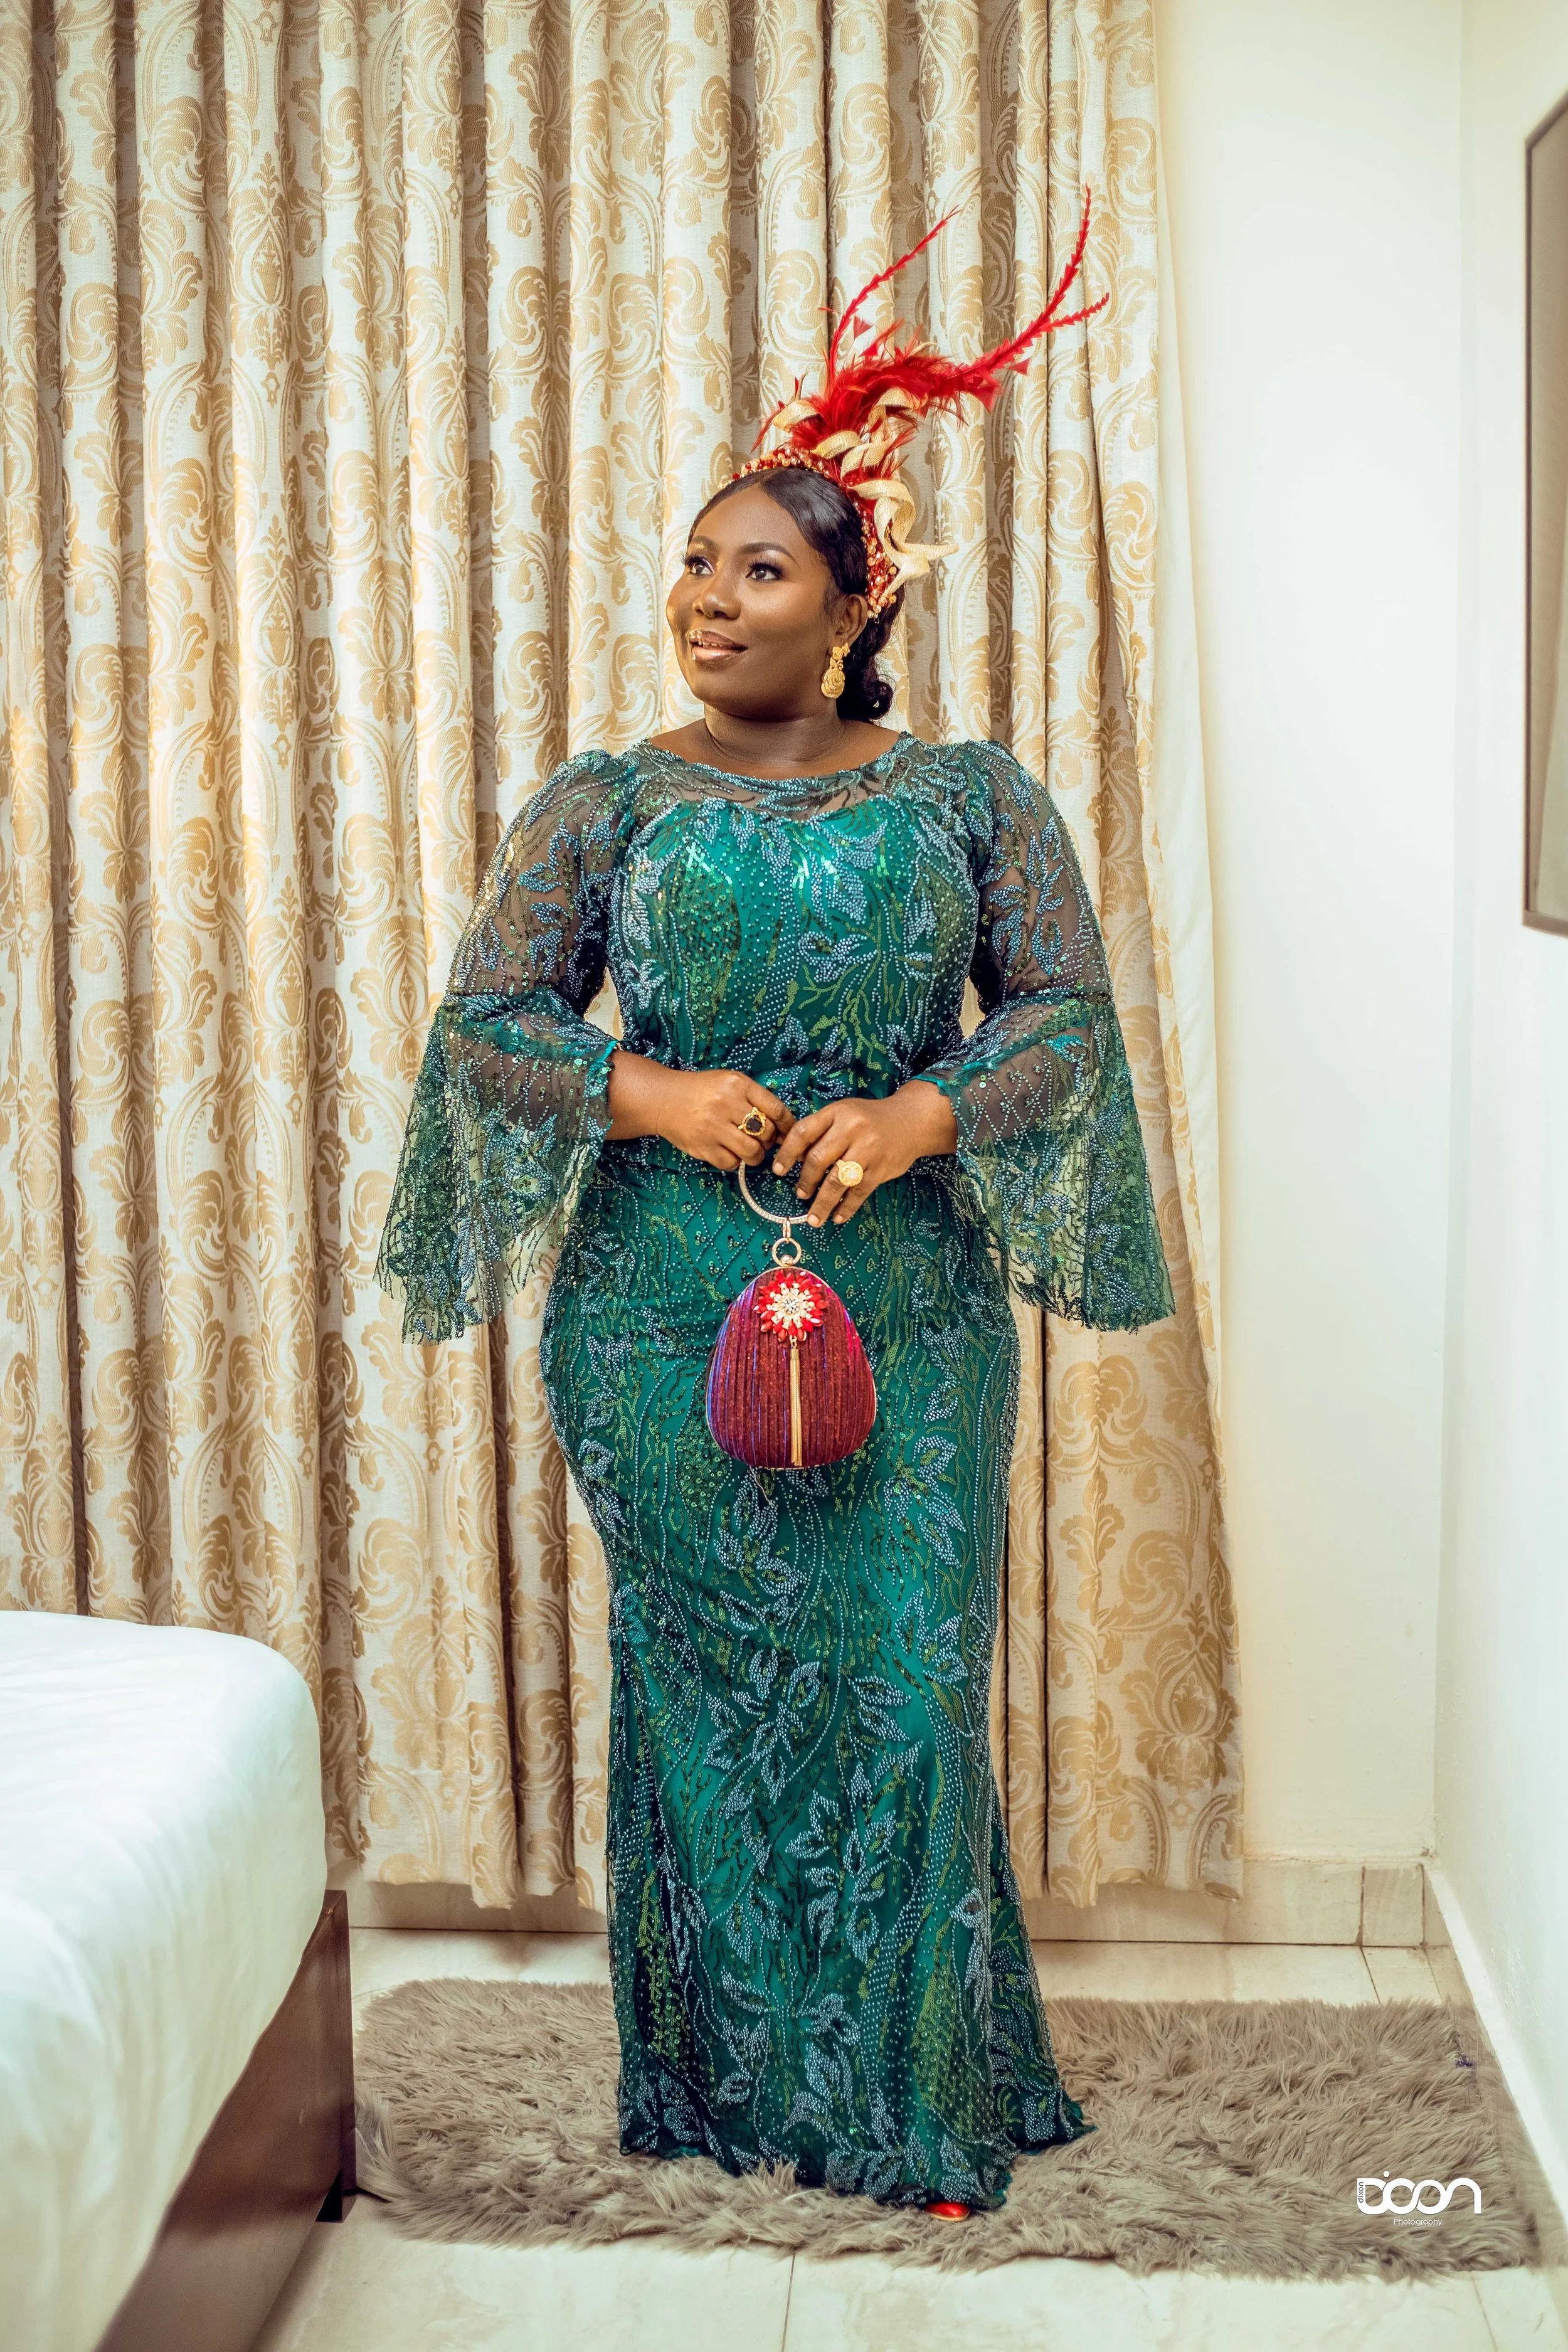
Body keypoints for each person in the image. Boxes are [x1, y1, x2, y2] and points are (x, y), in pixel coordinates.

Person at [376, 198, 1173, 2216]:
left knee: (903, 1680)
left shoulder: (974, 796)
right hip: (655, 1313)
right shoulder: (604, 801)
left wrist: (916, 1116)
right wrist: (642, 1090)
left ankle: (910, 2101)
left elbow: (1065, 1023)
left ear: (852, 606)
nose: (704, 600)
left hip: (902, 1309)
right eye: (692, 565)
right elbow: (484, 1025)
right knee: (712, 1690)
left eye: (756, 570)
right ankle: (724, 2092)